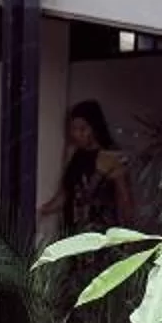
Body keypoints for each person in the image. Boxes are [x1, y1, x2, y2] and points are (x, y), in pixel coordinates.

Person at [42, 100, 131, 235]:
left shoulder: (110, 157)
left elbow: (124, 199)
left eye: (82, 129)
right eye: (73, 129)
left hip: (100, 235)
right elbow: (66, 194)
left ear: (94, 128)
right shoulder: (76, 156)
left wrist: (128, 236)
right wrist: (41, 210)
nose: (77, 134)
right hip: (73, 231)